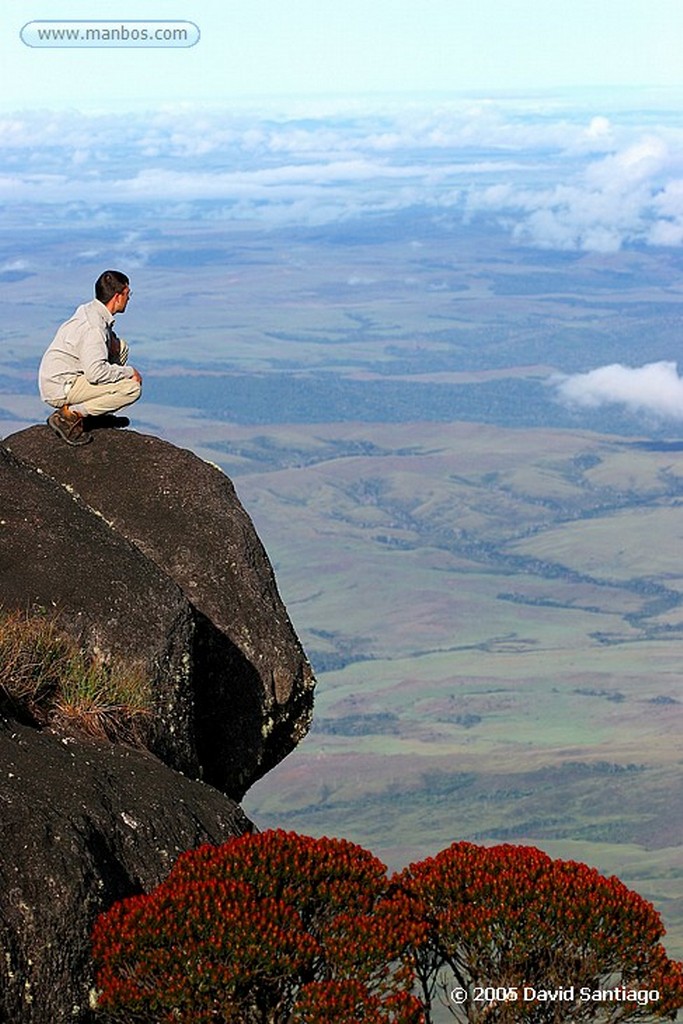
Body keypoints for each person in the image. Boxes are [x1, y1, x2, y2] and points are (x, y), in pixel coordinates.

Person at [39, 270, 143, 446]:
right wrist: (129, 372)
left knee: (120, 348)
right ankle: (70, 416)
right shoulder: (95, 328)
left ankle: (97, 414)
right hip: (62, 386)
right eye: (127, 294)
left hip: (63, 378)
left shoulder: (91, 310)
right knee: (132, 389)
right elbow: (95, 373)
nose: (129, 298)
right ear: (117, 297)